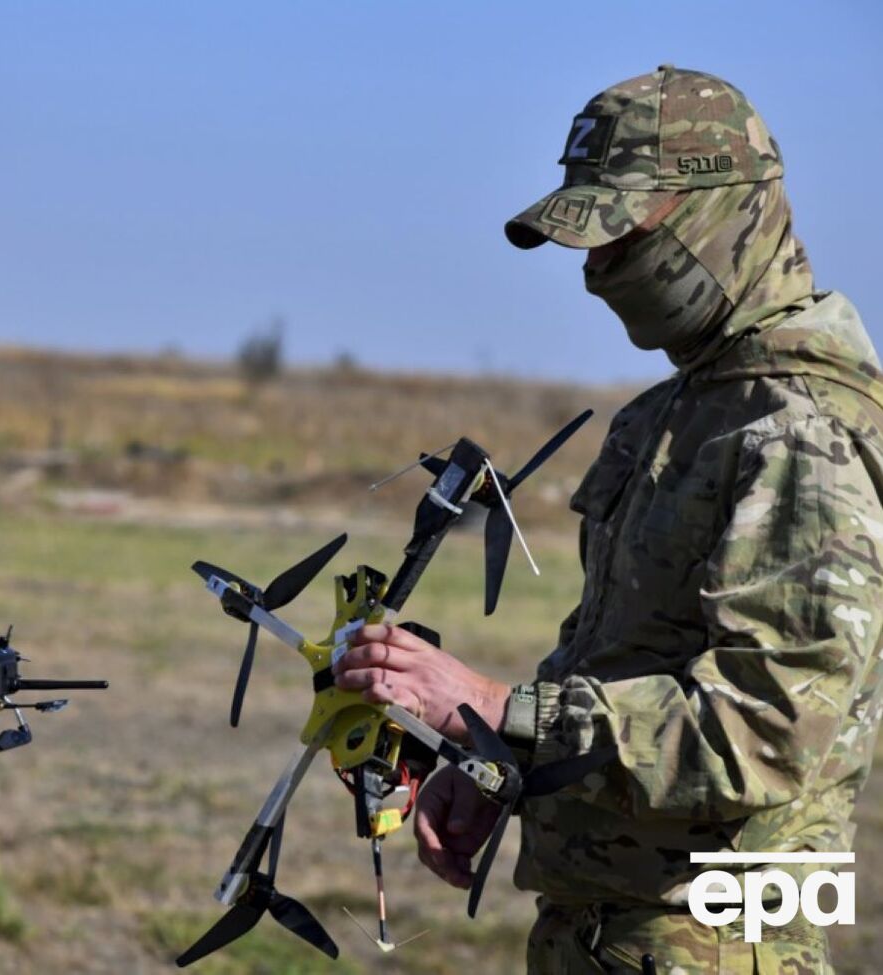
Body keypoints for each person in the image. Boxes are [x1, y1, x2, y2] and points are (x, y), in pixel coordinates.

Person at [333, 64, 883, 973]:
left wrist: (501, 706)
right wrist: (503, 762)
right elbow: (621, 657)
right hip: (610, 934)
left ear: (723, 212)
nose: (594, 275)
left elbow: (767, 728)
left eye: (620, 236)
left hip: (712, 941)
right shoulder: (672, 415)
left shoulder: (801, 435)